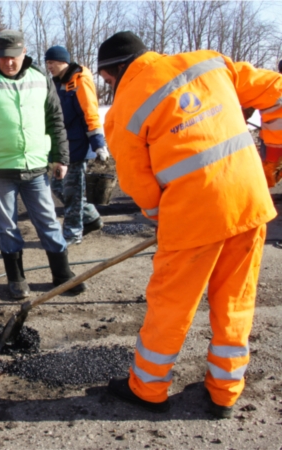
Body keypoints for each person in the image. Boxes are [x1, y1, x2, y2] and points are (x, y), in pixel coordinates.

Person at [97, 31, 279, 418]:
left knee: (171, 306)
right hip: (249, 203)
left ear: (112, 73)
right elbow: (277, 90)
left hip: (194, 217)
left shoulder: (124, 108)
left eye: (108, 82)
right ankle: (225, 391)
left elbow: (137, 182)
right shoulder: (209, 61)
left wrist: (163, 220)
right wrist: (273, 160)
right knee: (235, 301)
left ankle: (147, 389)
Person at [0, 30, 85, 300]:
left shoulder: (40, 78)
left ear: (24, 53)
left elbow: (55, 121)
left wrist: (61, 157)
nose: (9, 62)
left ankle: (62, 275)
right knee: (8, 226)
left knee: (48, 221)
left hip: (35, 167)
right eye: (3, 57)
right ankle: (16, 279)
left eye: (14, 56)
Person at [45, 45, 108, 246]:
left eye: (52, 62)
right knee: (58, 186)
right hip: (61, 147)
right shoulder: (55, 83)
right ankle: (91, 218)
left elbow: (90, 113)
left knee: (72, 192)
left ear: (63, 62)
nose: (49, 66)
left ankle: (72, 234)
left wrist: (99, 144)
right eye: (47, 63)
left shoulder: (79, 81)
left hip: (79, 147)